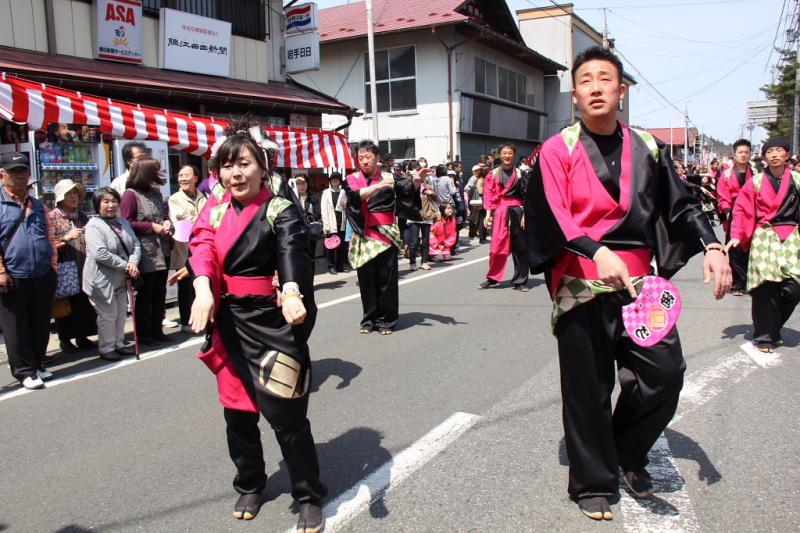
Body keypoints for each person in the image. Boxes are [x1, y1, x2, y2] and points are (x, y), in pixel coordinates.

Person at [526, 46, 731, 521]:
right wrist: (597, 251)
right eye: (585, 81)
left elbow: (680, 204)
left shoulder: (648, 146)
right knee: (588, 388)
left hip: (641, 284)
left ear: (622, 91)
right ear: (574, 95)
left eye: (605, 79)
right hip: (580, 280)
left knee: (665, 374)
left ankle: (628, 450)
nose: (596, 87)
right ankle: (594, 481)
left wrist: (713, 245)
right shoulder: (558, 149)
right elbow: (553, 213)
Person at [188, 123, 327, 532]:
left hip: (272, 320)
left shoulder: (280, 208)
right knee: (237, 414)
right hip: (228, 321)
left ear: (261, 168)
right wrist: (202, 290)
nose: (235, 173)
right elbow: (201, 249)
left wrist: (294, 291)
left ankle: (308, 492)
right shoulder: (212, 211)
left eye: (244, 163)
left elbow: (291, 251)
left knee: (287, 414)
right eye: (227, 165)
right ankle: (250, 481)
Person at [728, 136, 800, 353]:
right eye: (770, 151)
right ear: (765, 157)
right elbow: (741, 209)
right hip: (765, 236)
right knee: (764, 288)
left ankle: (772, 327)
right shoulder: (756, 182)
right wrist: (737, 234)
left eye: (779, 150)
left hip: (793, 237)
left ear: (787, 154)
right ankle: (765, 336)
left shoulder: (797, 179)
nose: (775, 154)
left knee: (794, 288)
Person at [344, 140, 422, 335]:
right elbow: (355, 197)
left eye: (368, 157)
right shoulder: (352, 178)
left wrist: (416, 181)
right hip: (363, 234)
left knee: (386, 279)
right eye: (360, 158)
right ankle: (369, 320)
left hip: (386, 233)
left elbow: (407, 191)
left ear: (377, 158)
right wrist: (379, 186)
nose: (364, 161)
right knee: (366, 279)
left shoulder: (390, 177)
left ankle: (386, 321)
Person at [0, 152, 57, 390]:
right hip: (12, 274)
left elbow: (50, 235)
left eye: (23, 171)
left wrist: (53, 266)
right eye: (14, 172)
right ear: (2, 175)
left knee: (40, 322)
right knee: (16, 327)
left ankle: (36, 363)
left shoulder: (36, 204)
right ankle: (24, 371)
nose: (20, 176)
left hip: (41, 272)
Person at [83, 187, 140, 361]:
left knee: (121, 313)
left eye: (114, 201)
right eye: (105, 202)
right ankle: (107, 348)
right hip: (101, 280)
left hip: (121, 278)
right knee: (108, 315)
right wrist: (126, 265)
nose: (110, 205)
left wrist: (133, 262)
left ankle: (119, 344)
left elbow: (135, 244)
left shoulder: (122, 222)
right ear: (97, 205)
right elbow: (100, 253)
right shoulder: (93, 225)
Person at [120, 158, 172, 345]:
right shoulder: (130, 195)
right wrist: (152, 226)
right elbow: (127, 222)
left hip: (162, 248)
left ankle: (157, 329)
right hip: (144, 251)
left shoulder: (156, 193)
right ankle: (144, 332)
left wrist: (166, 222)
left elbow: (164, 215)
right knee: (145, 293)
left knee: (159, 291)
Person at [48, 179, 97, 353]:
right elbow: (48, 243)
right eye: (69, 194)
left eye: (75, 193)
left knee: (83, 303)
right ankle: (65, 340)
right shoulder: (52, 217)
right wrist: (65, 238)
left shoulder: (81, 215)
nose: (73, 197)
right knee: (66, 305)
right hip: (64, 268)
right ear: (61, 197)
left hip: (83, 265)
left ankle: (83, 336)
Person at [479, 143, 529, 291]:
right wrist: (488, 214)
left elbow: (527, 196)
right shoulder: (492, 174)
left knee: (520, 248)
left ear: (514, 155)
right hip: (500, 212)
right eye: (504, 153)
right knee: (496, 248)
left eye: (510, 153)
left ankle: (520, 281)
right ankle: (492, 278)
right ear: (500, 155)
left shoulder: (521, 173)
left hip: (517, 211)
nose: (507, 156)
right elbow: (488, 195)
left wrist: (525, 214)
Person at [168, 165, 208, 332]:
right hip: (184, 248)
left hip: (201, 246)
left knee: (200, 283)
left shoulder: (203, 196)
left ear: (196, 178)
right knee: (185, 286)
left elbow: (210, 216)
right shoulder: (175, 198)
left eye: (186, 175)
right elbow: (182, 219)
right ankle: (186, 321)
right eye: (180, 175)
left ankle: (202, 319)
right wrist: (201, 219)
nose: (182, 179)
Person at [717, 139, 754, 295]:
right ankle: (738, 284)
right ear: (734, 154)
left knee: (751, 248)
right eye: (740, 152)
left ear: (750, 154)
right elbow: (722, 196)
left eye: (746, 152)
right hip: (733, 215)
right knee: (736, 250)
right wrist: (727, 213)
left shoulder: (757, 173)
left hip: (752, 215)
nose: (743, 155)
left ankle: (751, 281)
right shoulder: (726, 174)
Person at [321, 172, 348, 275]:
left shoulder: (343, 192)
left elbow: (347, 206)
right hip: (331, 222)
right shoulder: (326, 193)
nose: (335, 181)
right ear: (330, 182)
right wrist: (326, 224)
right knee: (331, 246)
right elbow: (324, 209)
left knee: (342, 246)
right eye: (333, 179)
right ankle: (331, 266)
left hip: (342, 222)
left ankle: (340, 265)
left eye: (337, 179)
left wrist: (346, 205)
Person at [467, 164, 487, 242]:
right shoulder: (479, 180)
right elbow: (480, 191)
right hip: (479, 201)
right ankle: (479, 236)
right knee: (478, 219)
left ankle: (482, 237)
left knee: (480, 219)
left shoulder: (480, 179)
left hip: (480, 201)